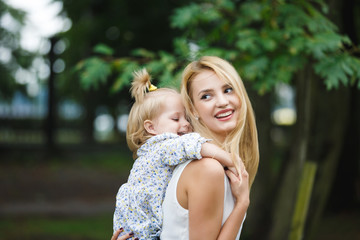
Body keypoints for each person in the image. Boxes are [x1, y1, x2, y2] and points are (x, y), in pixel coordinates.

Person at [113, 68, 243, 240]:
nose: (185, 125)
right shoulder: (163, 145)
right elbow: (193, 145)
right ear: (151, 127)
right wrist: (233, 162)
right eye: (176, 119)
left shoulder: (160, 154)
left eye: (186, 118)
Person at [159, 56, 259, 239]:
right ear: (193, 109)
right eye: (206, 96)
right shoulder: (207, 168)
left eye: (228, 90)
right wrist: (242, 203)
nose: (222, 102)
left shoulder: (216, 167)